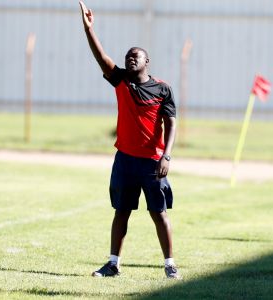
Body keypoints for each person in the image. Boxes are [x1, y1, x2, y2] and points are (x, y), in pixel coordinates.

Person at [79, 1, 180, 279]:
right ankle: (113, 264)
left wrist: (166, 156)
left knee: (159, 214)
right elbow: (101, 57)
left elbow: (171, 122)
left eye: (136, 56)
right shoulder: (121, 80)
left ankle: (170, 264)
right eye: (128, 56)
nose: (130, 58)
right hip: (124, 159)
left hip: (151, 162)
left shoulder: (163, 89)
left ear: (147, 61)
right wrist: (89, 30)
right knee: (121, 211)